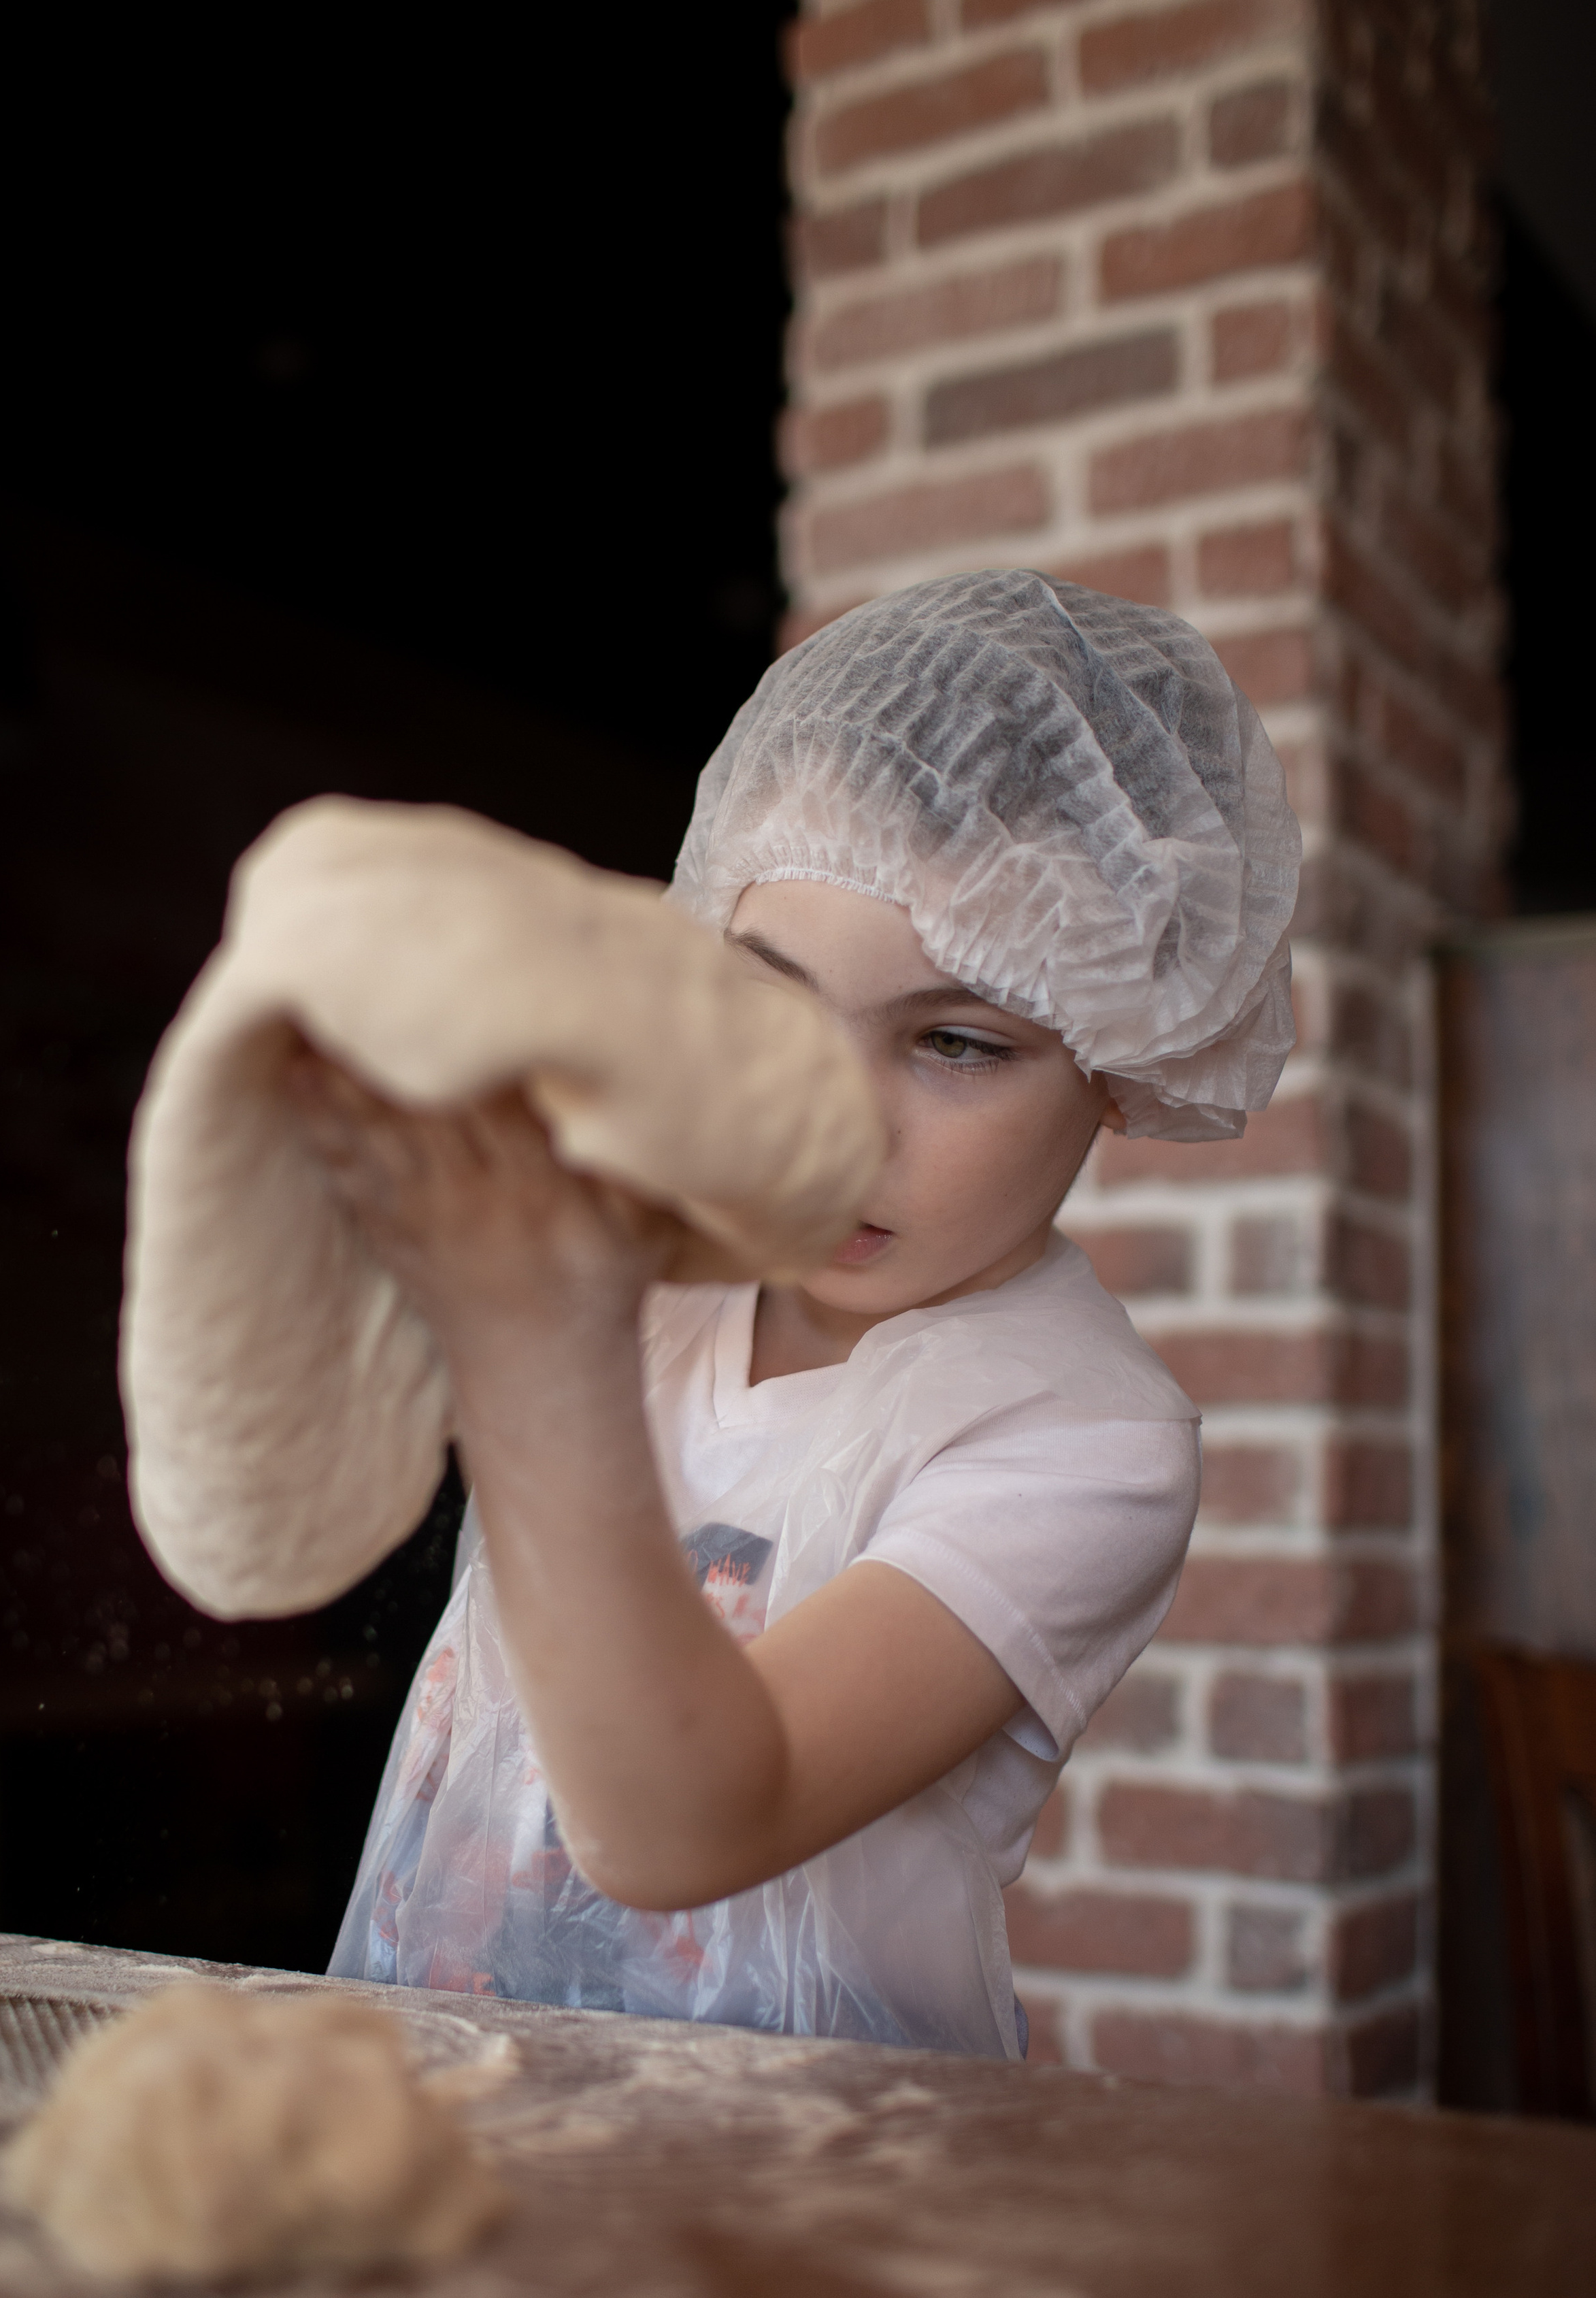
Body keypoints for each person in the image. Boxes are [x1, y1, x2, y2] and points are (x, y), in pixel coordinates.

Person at [296, 571, 1300, 2059]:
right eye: (772, 1006)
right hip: (450, 2113)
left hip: (812, 2200)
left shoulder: (1080, 1441)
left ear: (1119, 1060)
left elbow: (695, 1820)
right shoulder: (645, 1262)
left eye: (955, 1042)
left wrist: (540, 1328)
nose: (832, 1124)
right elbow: (315, 1438)